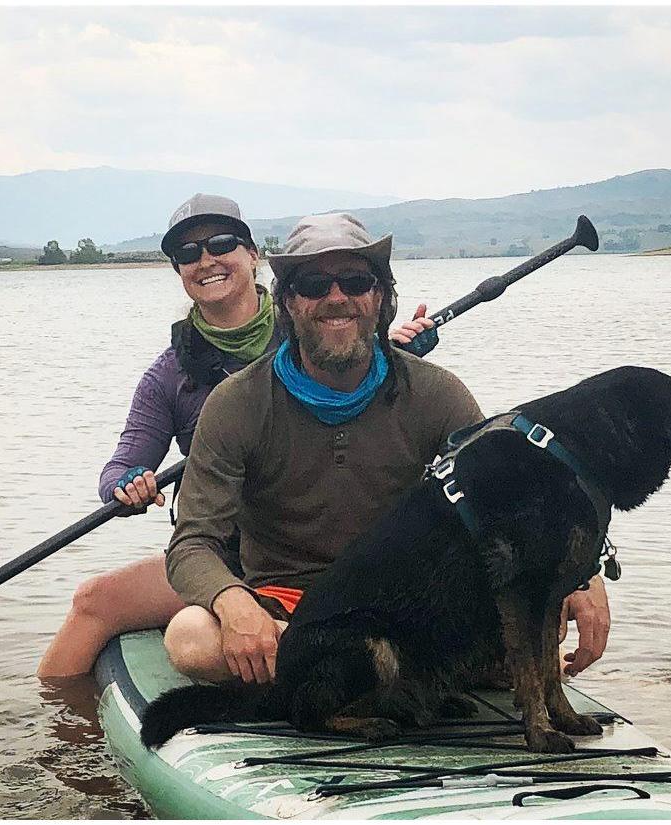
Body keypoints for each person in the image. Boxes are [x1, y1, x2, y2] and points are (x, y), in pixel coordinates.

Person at [162, 212, 611, 686]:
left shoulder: (437, 393)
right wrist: (233, 603)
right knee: (190, 639)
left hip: (408, 604)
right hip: (286, 606)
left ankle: (361, 674)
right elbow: (192, 543)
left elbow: (511, 502)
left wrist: (583, 577)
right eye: (314, 285)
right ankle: (366, 672)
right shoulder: (236, 403)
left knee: (548, 614)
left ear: (379, 298)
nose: (337, 299)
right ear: (289, 303)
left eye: (356, 281)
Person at [37, 198, 438, 678]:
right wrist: (126, 481)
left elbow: (346, 338)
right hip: (228, 551)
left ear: (254, 256)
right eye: (188, 253)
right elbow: (125, 464)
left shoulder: (317, 326)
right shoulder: (171, 376)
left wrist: (381, 347)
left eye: (222, 244)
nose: (206, 260)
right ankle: (58, 727)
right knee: (94, 602)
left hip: (336, 550)